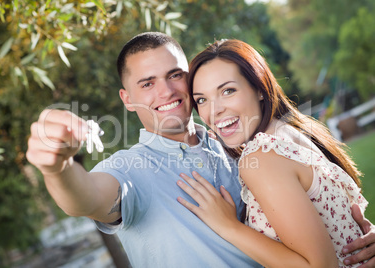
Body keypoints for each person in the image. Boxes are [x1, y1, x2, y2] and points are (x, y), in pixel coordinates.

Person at [26, 32, 375, 267]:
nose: (166, 91)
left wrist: (352, 235)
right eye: (147, 83)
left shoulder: (238, 145)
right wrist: (57, 168)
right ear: (127, 99)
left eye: (175, 75)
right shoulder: (130, 168)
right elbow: (87, 197)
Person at [176, 38, 373, 267]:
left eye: (228, 91)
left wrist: (228, 226)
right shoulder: (291, 132)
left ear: (259, 88)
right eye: (202, 99)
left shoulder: (261, 156)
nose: (214, 110)